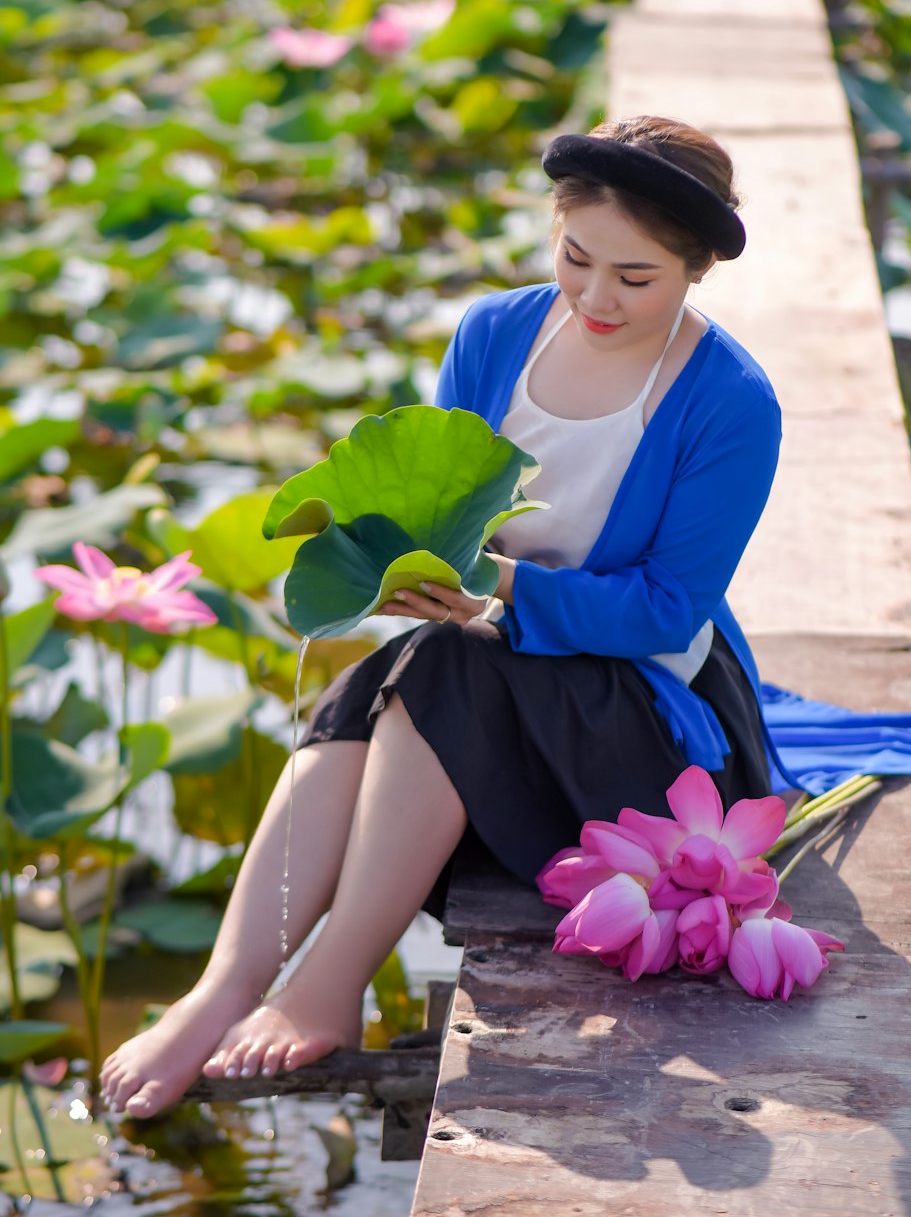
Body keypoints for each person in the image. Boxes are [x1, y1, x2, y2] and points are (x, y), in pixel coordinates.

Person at [100, 114, 784, 1120]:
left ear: (693, 271)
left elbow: (664, 610)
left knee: (447, 662)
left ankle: (332, 975)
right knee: (409, 666)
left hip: (649, 715)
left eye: (635, 279)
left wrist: (501, 595)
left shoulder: (731, 401)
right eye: (575, 257)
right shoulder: (495, 333)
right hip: (486, 661)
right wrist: (415, 577)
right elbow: (442, 516)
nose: (596, 297)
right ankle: (223, 986)